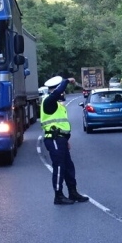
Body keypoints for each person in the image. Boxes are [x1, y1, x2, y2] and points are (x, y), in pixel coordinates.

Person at [40, 75, 89, 205]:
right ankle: (58, 195)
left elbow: (61, 125)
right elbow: (56, 92)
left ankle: (73, 192)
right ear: (57, 90)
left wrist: (65, 139)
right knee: (59, 167)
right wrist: (66, 81)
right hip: (54, 139)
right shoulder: (48, 101)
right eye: (62, 90)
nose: (64, 93)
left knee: (68, 166)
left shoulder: (58, 105)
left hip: (60, 139)